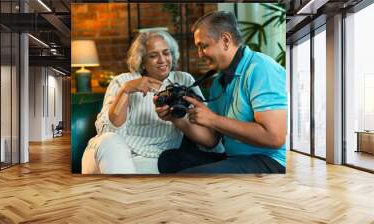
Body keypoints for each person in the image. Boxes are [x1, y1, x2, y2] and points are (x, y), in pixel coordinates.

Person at [156, 11, 287, 173]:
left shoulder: (261, 68)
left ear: (225, 40)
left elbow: (274, 137)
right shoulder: (219, 82)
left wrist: (213, 119)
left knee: (188, 177)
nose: (199, 54)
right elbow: (211, 140)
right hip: (235, 158)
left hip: (270, 161)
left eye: (204, 46)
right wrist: (176, 119)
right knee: (169, 160)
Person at [81, 30, 219, 174]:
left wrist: (176, 118)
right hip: (108, 154)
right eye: (153, 55)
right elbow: (108, 131)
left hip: (151, 161)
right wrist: (126, 91)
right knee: (110, 141)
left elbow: (209, 139)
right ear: (142, 61)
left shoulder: (184, 80)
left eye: (166, 53)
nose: (162, 60)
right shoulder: (123, 81)